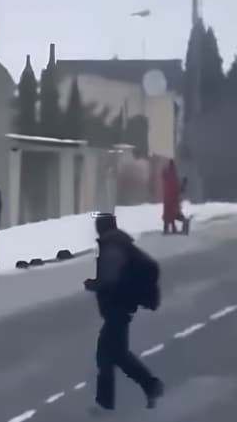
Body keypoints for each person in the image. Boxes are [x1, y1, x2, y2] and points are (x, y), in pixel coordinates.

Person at [83, 212, 164, 411]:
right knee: (119, 356)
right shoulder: (118, 243)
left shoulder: (112, 247)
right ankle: (150, 385)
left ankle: (105, 404)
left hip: (117, 308)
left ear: (101, 228)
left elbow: (111, 280)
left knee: (105, 357)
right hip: (120, 307)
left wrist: (93, 285)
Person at [161, 160, 190, 234]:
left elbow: (171, 188)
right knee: (175, 213)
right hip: (173, 200)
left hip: (167, 200)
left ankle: (167, 228)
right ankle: (178, 225)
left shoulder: (166, 176)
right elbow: (177, 189)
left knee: (168, 214)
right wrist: (183, 184)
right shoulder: (173, 176)